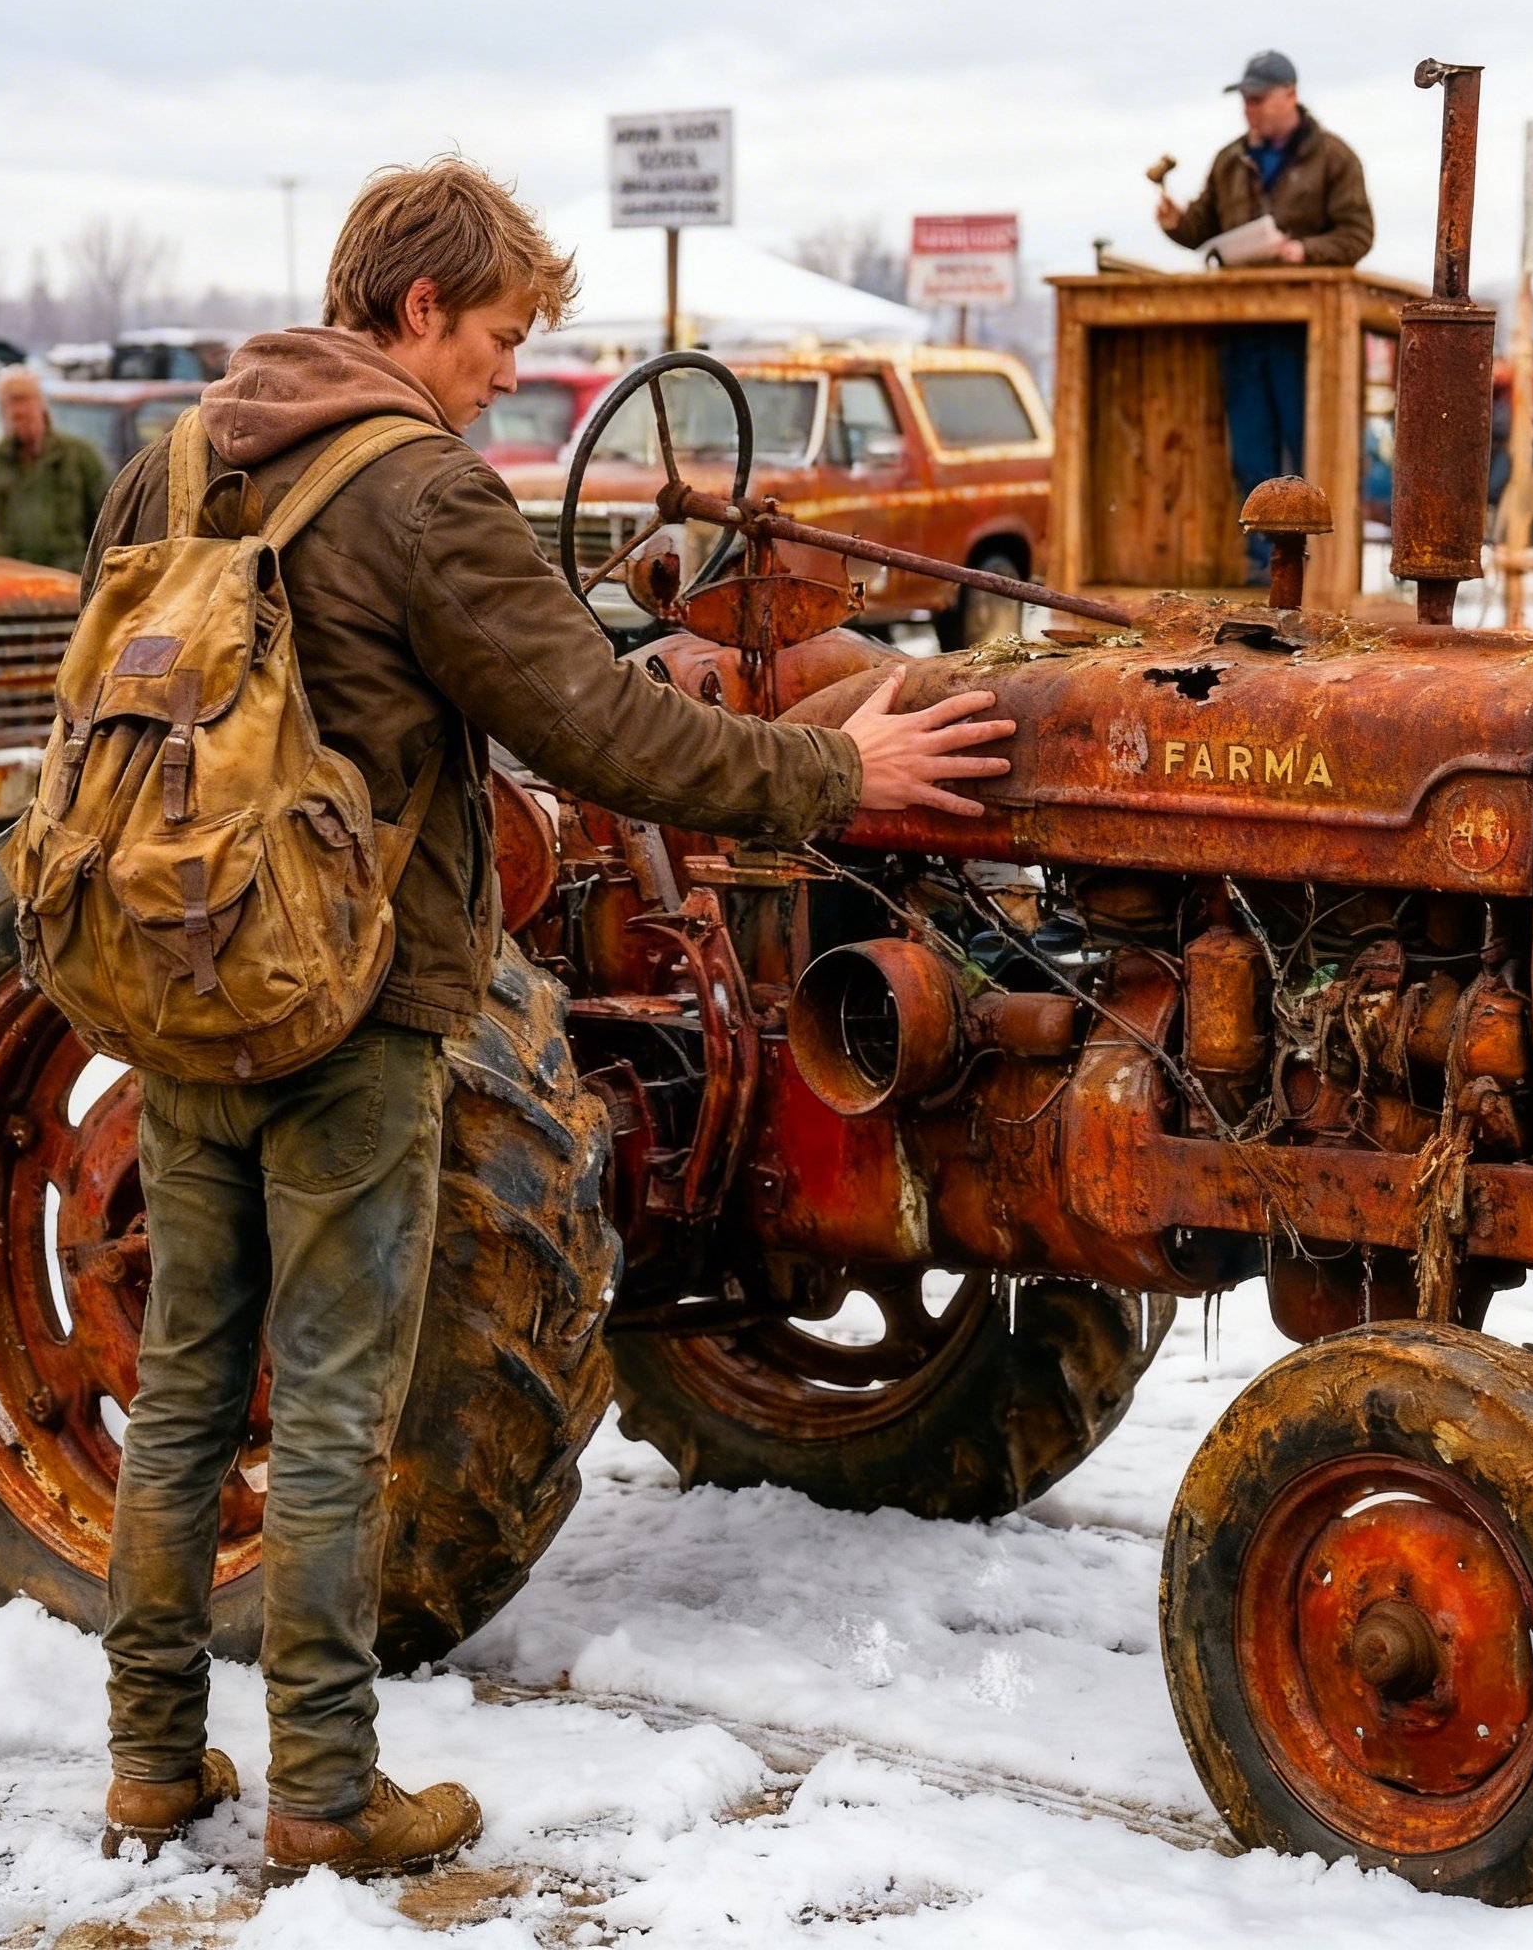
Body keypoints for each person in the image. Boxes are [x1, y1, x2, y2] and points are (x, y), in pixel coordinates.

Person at [91, 157, 1014, 1887]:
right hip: (345, 1001)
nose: (501, 375)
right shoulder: (419, 493)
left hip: (180, 973)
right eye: (496, 338)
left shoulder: (176, 456)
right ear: (416, 306)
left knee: (189, 1381)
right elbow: (608, 734)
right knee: (345, 1410)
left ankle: (150, 1760)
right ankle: (323, 1792)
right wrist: (841, 764)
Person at [1156, 50, 1375, 584]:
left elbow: (1357, 235)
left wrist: (1304, 251)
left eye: (1258, 98)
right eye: (1245, 100)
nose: (1249, 109)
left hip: (1309, 333)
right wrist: (1175, 223)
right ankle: (1263, 566)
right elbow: (1203, 230)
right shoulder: (1230, 160)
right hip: (1243, 325)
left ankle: (1319, 569)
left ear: (1290, 96)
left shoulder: (1334, 158)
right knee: (1251, 448)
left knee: (1309, 444)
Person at [0, 367, 109, 571]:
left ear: (41, 403)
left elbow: (107, 527)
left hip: (69, 583)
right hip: (11, 584)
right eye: (8, 402)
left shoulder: (79, 457)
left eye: (23, 399)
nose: (17, 410)